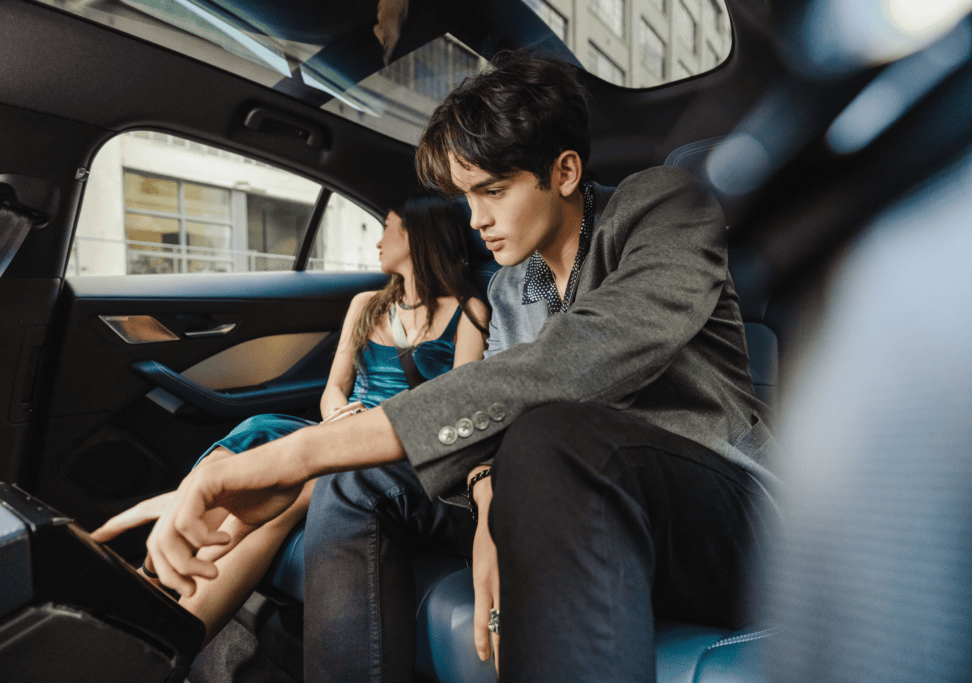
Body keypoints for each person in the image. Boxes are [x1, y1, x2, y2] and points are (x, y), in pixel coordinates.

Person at [142, 50, 780, 682]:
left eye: (493, 192)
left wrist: (303, 451)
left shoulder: (663, 206)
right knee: (355, 481)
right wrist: (489, 498)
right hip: (552, 488)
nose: (476, 221)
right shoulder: (509, 287)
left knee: (549, 435)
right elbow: (490, 420)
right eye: (466, 197)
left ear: (562, 171)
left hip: (720, 517)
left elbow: (585, 355)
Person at [91, 194, 488, 645]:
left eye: (388, 228)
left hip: (397, 446)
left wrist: (366, 431)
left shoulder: (470, 313)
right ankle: (157, 568)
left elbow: (459, 405)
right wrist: (336, 418)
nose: (378, 241)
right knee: (260, 427)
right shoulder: (367, 304)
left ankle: (166, 634)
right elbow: (335, 386)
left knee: (289, 495)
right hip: (335, 428)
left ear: (417, 237)